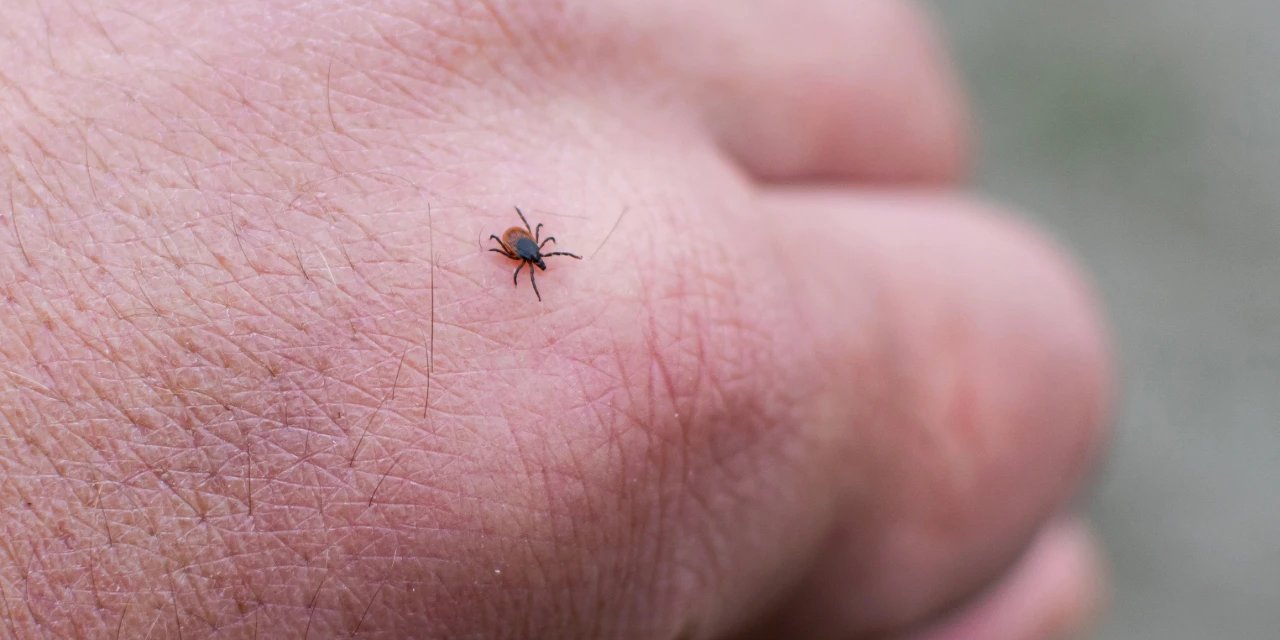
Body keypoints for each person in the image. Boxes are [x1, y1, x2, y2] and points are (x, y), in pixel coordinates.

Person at [0, 1, 1109, 637]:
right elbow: (519, 249)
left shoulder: (524, 250)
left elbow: (524, 246)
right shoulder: (516, 253)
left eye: (526, 249)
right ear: (520, 248)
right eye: (524, 249)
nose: (526, 254)